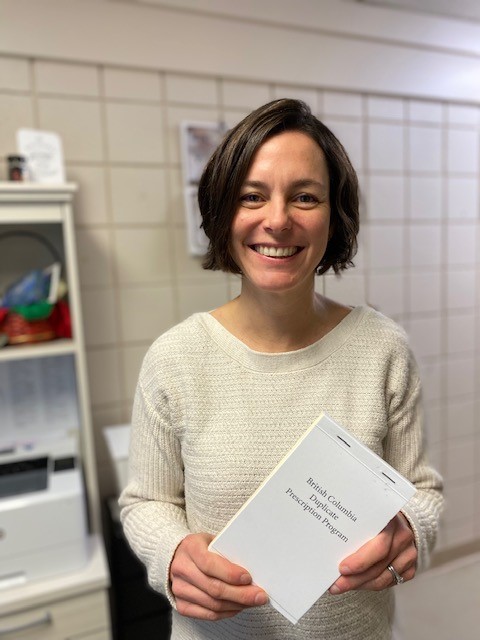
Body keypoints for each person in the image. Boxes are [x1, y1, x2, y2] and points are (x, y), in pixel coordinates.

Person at [119, 99, 444, 640]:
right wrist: (171, 553)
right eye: (252, 196)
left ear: (334, 217)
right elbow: (145, 502)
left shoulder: (383, 348)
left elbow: (422, 491)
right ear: (223, 214)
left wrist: (411, 531)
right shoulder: (175, 359)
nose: (277, 219)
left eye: (305, 197)